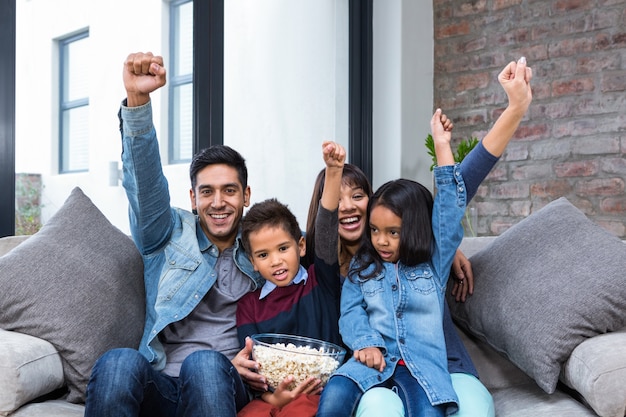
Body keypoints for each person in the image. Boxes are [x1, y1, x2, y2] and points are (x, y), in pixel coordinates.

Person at [310, 57, 533, 416]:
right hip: (373, 369)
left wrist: (515, 108)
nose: (349, 208)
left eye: (359, 197)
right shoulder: (333, 264)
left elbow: (454, 197)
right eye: (340, 200)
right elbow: (326, 233)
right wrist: (332, 172)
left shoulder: (425, 257)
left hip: (434, 366)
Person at [84, 52, 268, 417]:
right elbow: (145, 185)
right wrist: (138, 102)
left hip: (225, 381)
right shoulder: (168, 233)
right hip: (163, 385)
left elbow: (313, 250)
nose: (218, 202)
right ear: (193, 198)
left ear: (246, 196)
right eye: (207, 192)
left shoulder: (262, 246)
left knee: (203, 363)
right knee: (119, 362)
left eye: (230, 190)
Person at [235, 141, 347, 417]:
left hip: (319, 393)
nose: (276, 261)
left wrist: (333, 172)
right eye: (263, 254)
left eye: (283, 249)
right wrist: (272, 398)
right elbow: (253, 365)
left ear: (301, 246)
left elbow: (326, 228)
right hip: (271, 397)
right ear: (252, 262)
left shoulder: (319, 281)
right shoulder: (249, 306)